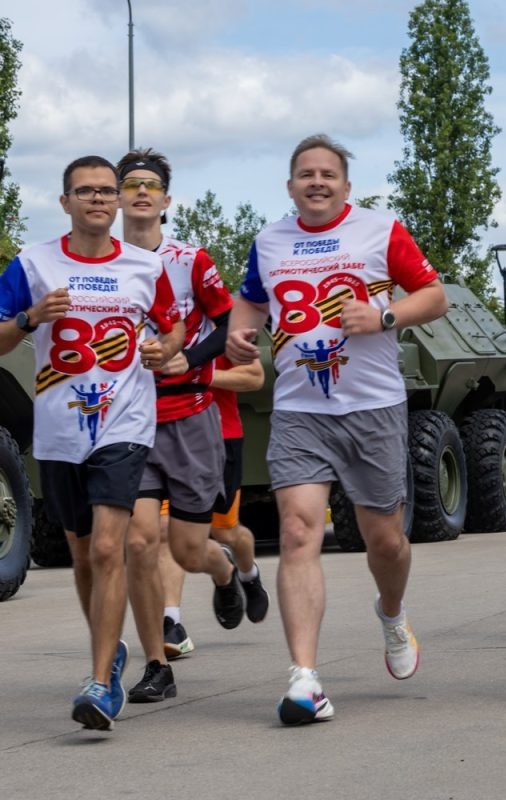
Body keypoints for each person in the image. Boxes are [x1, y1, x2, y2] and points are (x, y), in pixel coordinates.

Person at [226, 134, 448, 724]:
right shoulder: (270, 241)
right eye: (306, 174)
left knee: (386, 542)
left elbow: (435, 295)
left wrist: (384, 316)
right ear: (290, 184)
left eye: (328, 174)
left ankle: (392, 614)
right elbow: (250, 301)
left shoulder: (380, 230)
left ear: (346, 187)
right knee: (299, 532)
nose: (316, 182)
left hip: (373, 408)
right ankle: (305, 679)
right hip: (300, 411)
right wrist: (239, 331)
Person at [0, 155, 182, 730]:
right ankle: (111, 648)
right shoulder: (32, 264)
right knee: (81, 552)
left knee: (109, 548)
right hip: (59, 430)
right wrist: (30, 319)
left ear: (119, 201)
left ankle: (101, 683)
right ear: (65, 202)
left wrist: (162, 348)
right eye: (86, 191)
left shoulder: (145, 267)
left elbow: (172, 324)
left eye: (107, 191)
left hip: (124, 423)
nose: (99, 200)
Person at [115, 149, 247, 703]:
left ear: (166, 200)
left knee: (191, 549)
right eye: (131, 184)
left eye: (151, 185)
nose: (141, 192)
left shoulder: (191, 259)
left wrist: (190, 360)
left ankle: (223, 574)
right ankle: (155, 666)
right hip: (130, 419)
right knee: (141, 543)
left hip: (191, 416)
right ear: (118, 197)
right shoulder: (102, 263)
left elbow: (228, 322)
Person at [157, 353, 269, 661]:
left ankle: (246, 574)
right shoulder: (150, 320)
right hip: (164, 433)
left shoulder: (219, 324)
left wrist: (199, 377)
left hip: (220, 436)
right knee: (165, 529)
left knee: (226, 533)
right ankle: (171, 623)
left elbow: (254, 377)